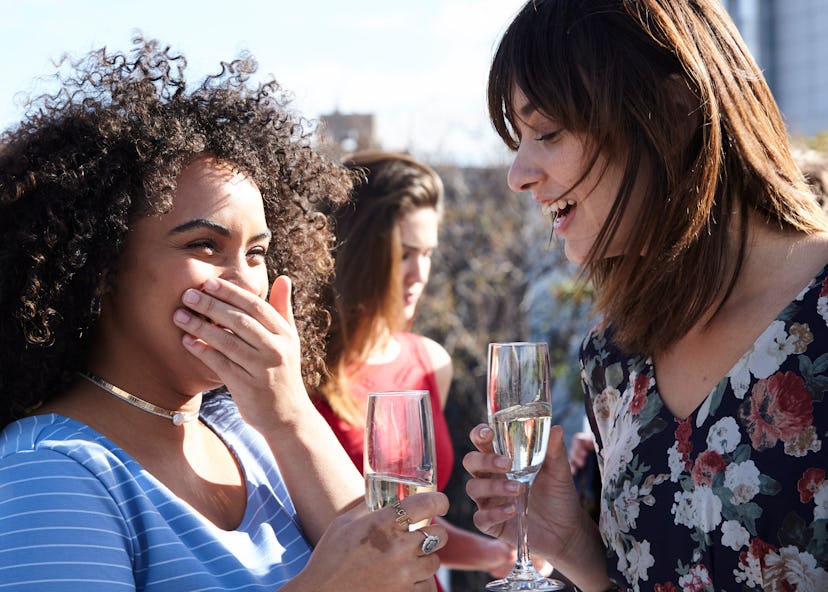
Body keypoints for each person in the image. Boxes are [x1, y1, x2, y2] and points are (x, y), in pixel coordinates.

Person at [0, 38, 448, 591]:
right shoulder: (49, 470)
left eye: (257, 253)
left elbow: (409, 583)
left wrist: (291, 416)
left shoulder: (250, 432)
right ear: (103, 266)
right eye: (203, 246)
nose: (243, 281)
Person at [462, 1, 828, 591]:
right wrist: (577, 550)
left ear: (675, 111)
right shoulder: (613, 358)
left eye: (548, 132)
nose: (518, 173)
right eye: (518, 138)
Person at [312, 150, 518, 585]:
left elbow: (412, 526)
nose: (418, 273)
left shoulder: (429, 363)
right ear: (357, 252)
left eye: (426, 253)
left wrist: (496, 553)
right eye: (403, 253)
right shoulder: (300, 374)